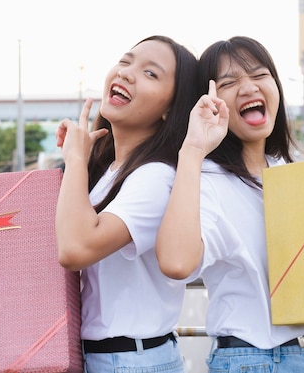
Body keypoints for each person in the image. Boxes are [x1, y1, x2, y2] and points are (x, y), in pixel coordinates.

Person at [155, 36, 304, 372]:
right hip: (255, 360)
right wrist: (193, 150)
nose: (248, 87)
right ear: (207, 101)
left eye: (259, 75)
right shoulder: (205, 179)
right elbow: (176, 263)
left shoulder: (291, 173)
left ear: (276, 87)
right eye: (229, 82)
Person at [54, 35, 199, 373]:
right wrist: (77, 162)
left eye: (150, 74)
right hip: (111, 358)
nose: (127, 73)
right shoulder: (110, 170)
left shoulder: (155, 177)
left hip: (131, 361)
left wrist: (76, 161)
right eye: (125, 61)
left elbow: (74, 249)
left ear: (170, 109)